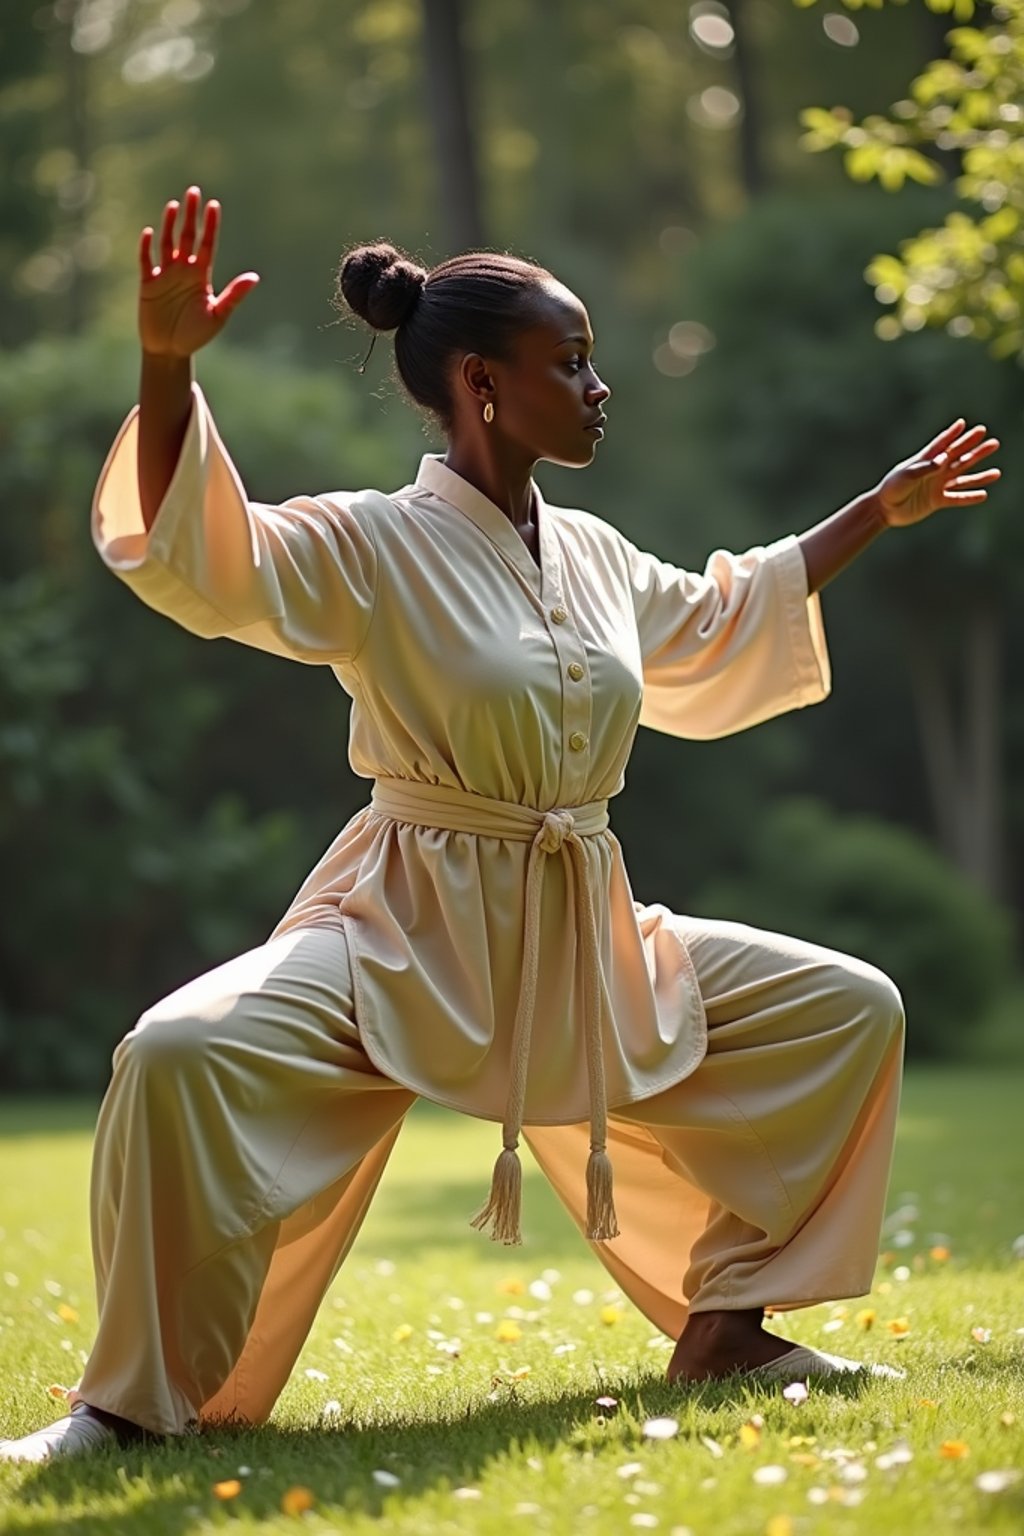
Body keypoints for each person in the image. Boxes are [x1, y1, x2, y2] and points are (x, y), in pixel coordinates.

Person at [1, 185, 1001, 1463]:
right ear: (479, 381)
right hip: (402, 927)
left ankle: (731, 1328)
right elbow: (213, 555)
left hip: (579, 931)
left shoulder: (588, 552)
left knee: (847, 1005)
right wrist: (161, 366)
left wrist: (878, 509)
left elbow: (713, 617)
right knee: (174, 1052)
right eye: (569, 363)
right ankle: (123, 1409)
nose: (598, 388)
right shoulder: (375, 544)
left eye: (591, 363)